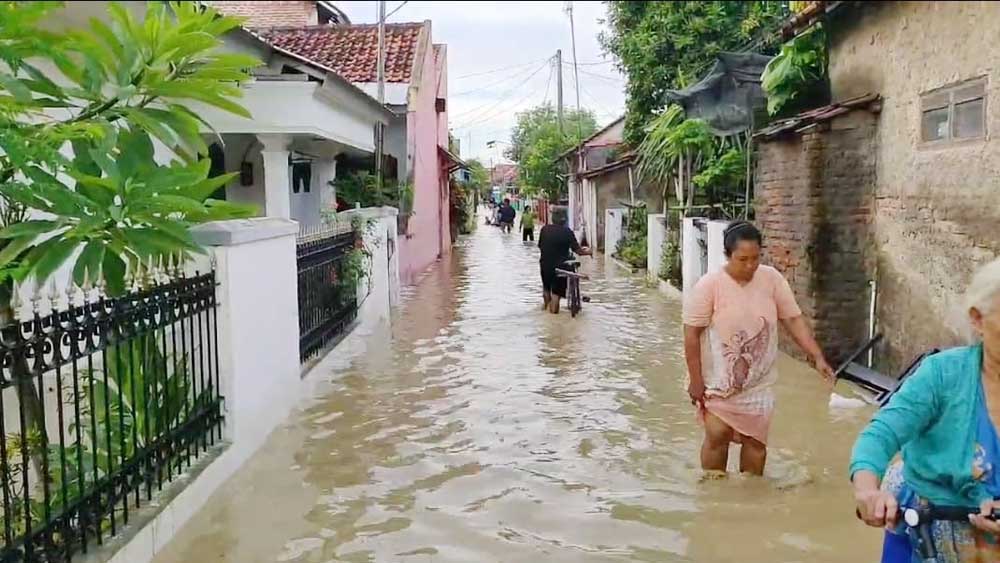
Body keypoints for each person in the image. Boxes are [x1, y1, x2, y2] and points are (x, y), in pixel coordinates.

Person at [852, 258, 1000, 561]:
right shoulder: (943, 375)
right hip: (923, 529)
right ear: (977, 318)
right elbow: (880, 436)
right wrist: (868, 491)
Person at [682, 221, 834, 476]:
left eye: (755, 258)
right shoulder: (709, 285)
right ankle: (712, 493)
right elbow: (691, 335)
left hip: (758, 382)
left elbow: (793, 319)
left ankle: (751, 495)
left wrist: (817, 357)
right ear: (728, 255)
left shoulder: (771, 279)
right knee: (717, 435)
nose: (750, 265)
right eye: (742, 259)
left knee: (756, 443)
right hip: (718, 382)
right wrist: (696, 381)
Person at [538, 206, 591, 314]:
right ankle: (554, 319)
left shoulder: (544, 230)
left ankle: (545, 312)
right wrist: (588, 252)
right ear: (565, 219)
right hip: (561, 267)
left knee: (546, 289)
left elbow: (540, 246)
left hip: (545, 265)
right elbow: (578, 251)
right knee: (556, 294)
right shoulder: (567, 232)